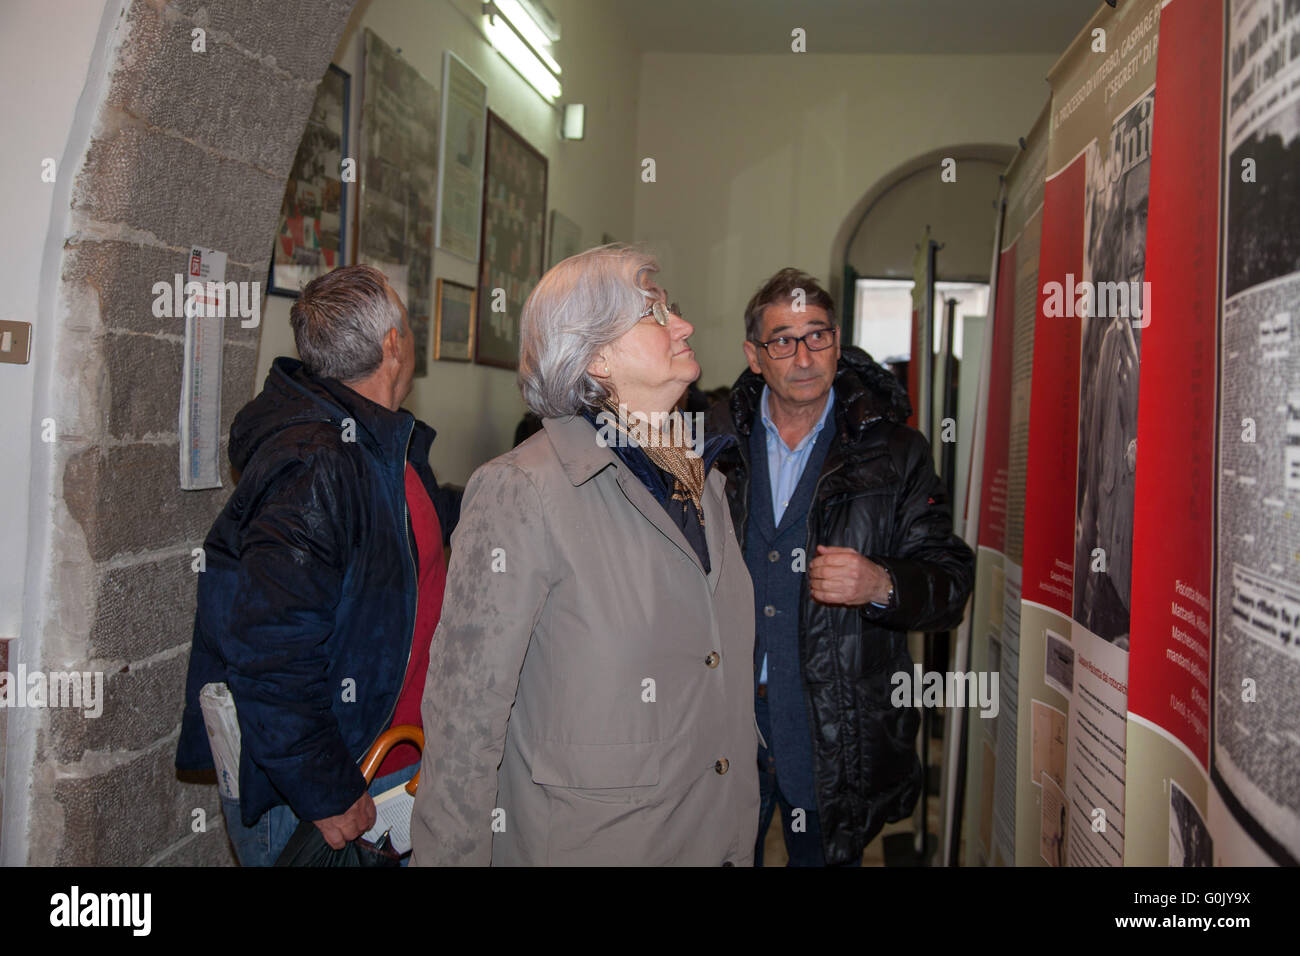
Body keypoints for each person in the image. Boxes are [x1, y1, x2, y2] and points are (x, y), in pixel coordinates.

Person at [410, 244, 759, 866]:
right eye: (654, 313)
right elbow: (466, 719)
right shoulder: (522, 491)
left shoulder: (703, 481)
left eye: (670, 307)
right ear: (596, 355)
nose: (683, 324)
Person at [176, 265, 459, 865]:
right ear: (391, 346)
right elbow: (269, 649)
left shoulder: (377, 447)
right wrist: (326, 788)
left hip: (389, 765)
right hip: (333, 790)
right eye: (406, 328)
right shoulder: (317, 464)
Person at [707, 267, 975, 866]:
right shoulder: (713, 446)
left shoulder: (896, 452)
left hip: (831, 726)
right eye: (782, 340)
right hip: (722, 721)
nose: (803, 357)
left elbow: (950, 581)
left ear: (838, 340)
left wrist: (881, 583)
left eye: (818, 336)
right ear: (755, 355)